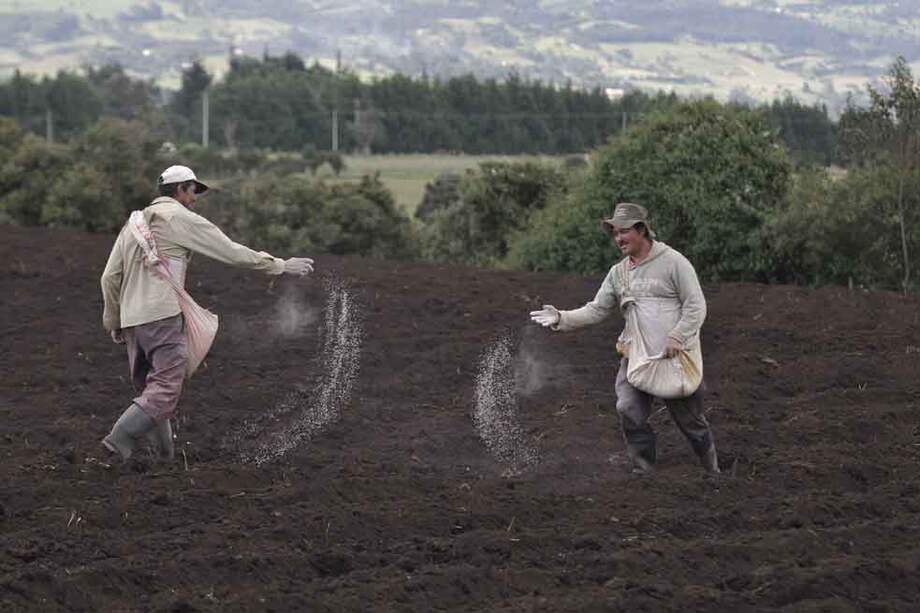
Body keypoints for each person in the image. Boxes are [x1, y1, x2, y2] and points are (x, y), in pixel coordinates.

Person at [100, 165, 315, 461]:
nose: (195, 199)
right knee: (165, 388)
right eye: (193, 191)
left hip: (132, 319)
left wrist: (114, 321)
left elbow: (109, 277)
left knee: (154, 388)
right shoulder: (179, 218)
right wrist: (279, 265)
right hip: (161, 314)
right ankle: (118, 441)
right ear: (181, 189)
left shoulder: (134, 224)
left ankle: (165, 458)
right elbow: (231, 251)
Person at [530, 202, 720, 475]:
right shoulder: (618, 273)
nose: (618, 239)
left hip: (674, 358)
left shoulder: (673, 263)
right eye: (615, 233)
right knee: (628, 408)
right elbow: (597, 309)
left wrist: (678, 336)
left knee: (691, 423)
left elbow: (696, 306)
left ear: (642, 230)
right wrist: (562, 317)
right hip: (637, 356)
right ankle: (644, 471)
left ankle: (713, 472)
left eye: (624, 232)